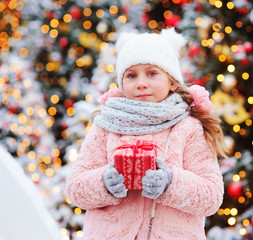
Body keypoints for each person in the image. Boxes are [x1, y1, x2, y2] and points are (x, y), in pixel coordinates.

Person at [65, 27, 228, 240]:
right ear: (122, 83)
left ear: (171, 81)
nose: (141, 83)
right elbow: (75, 189)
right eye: (131, 75)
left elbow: (211, 196)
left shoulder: (188, 128)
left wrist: (171, 182)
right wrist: (104, 182)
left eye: (152, 73)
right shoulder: (106, 126)